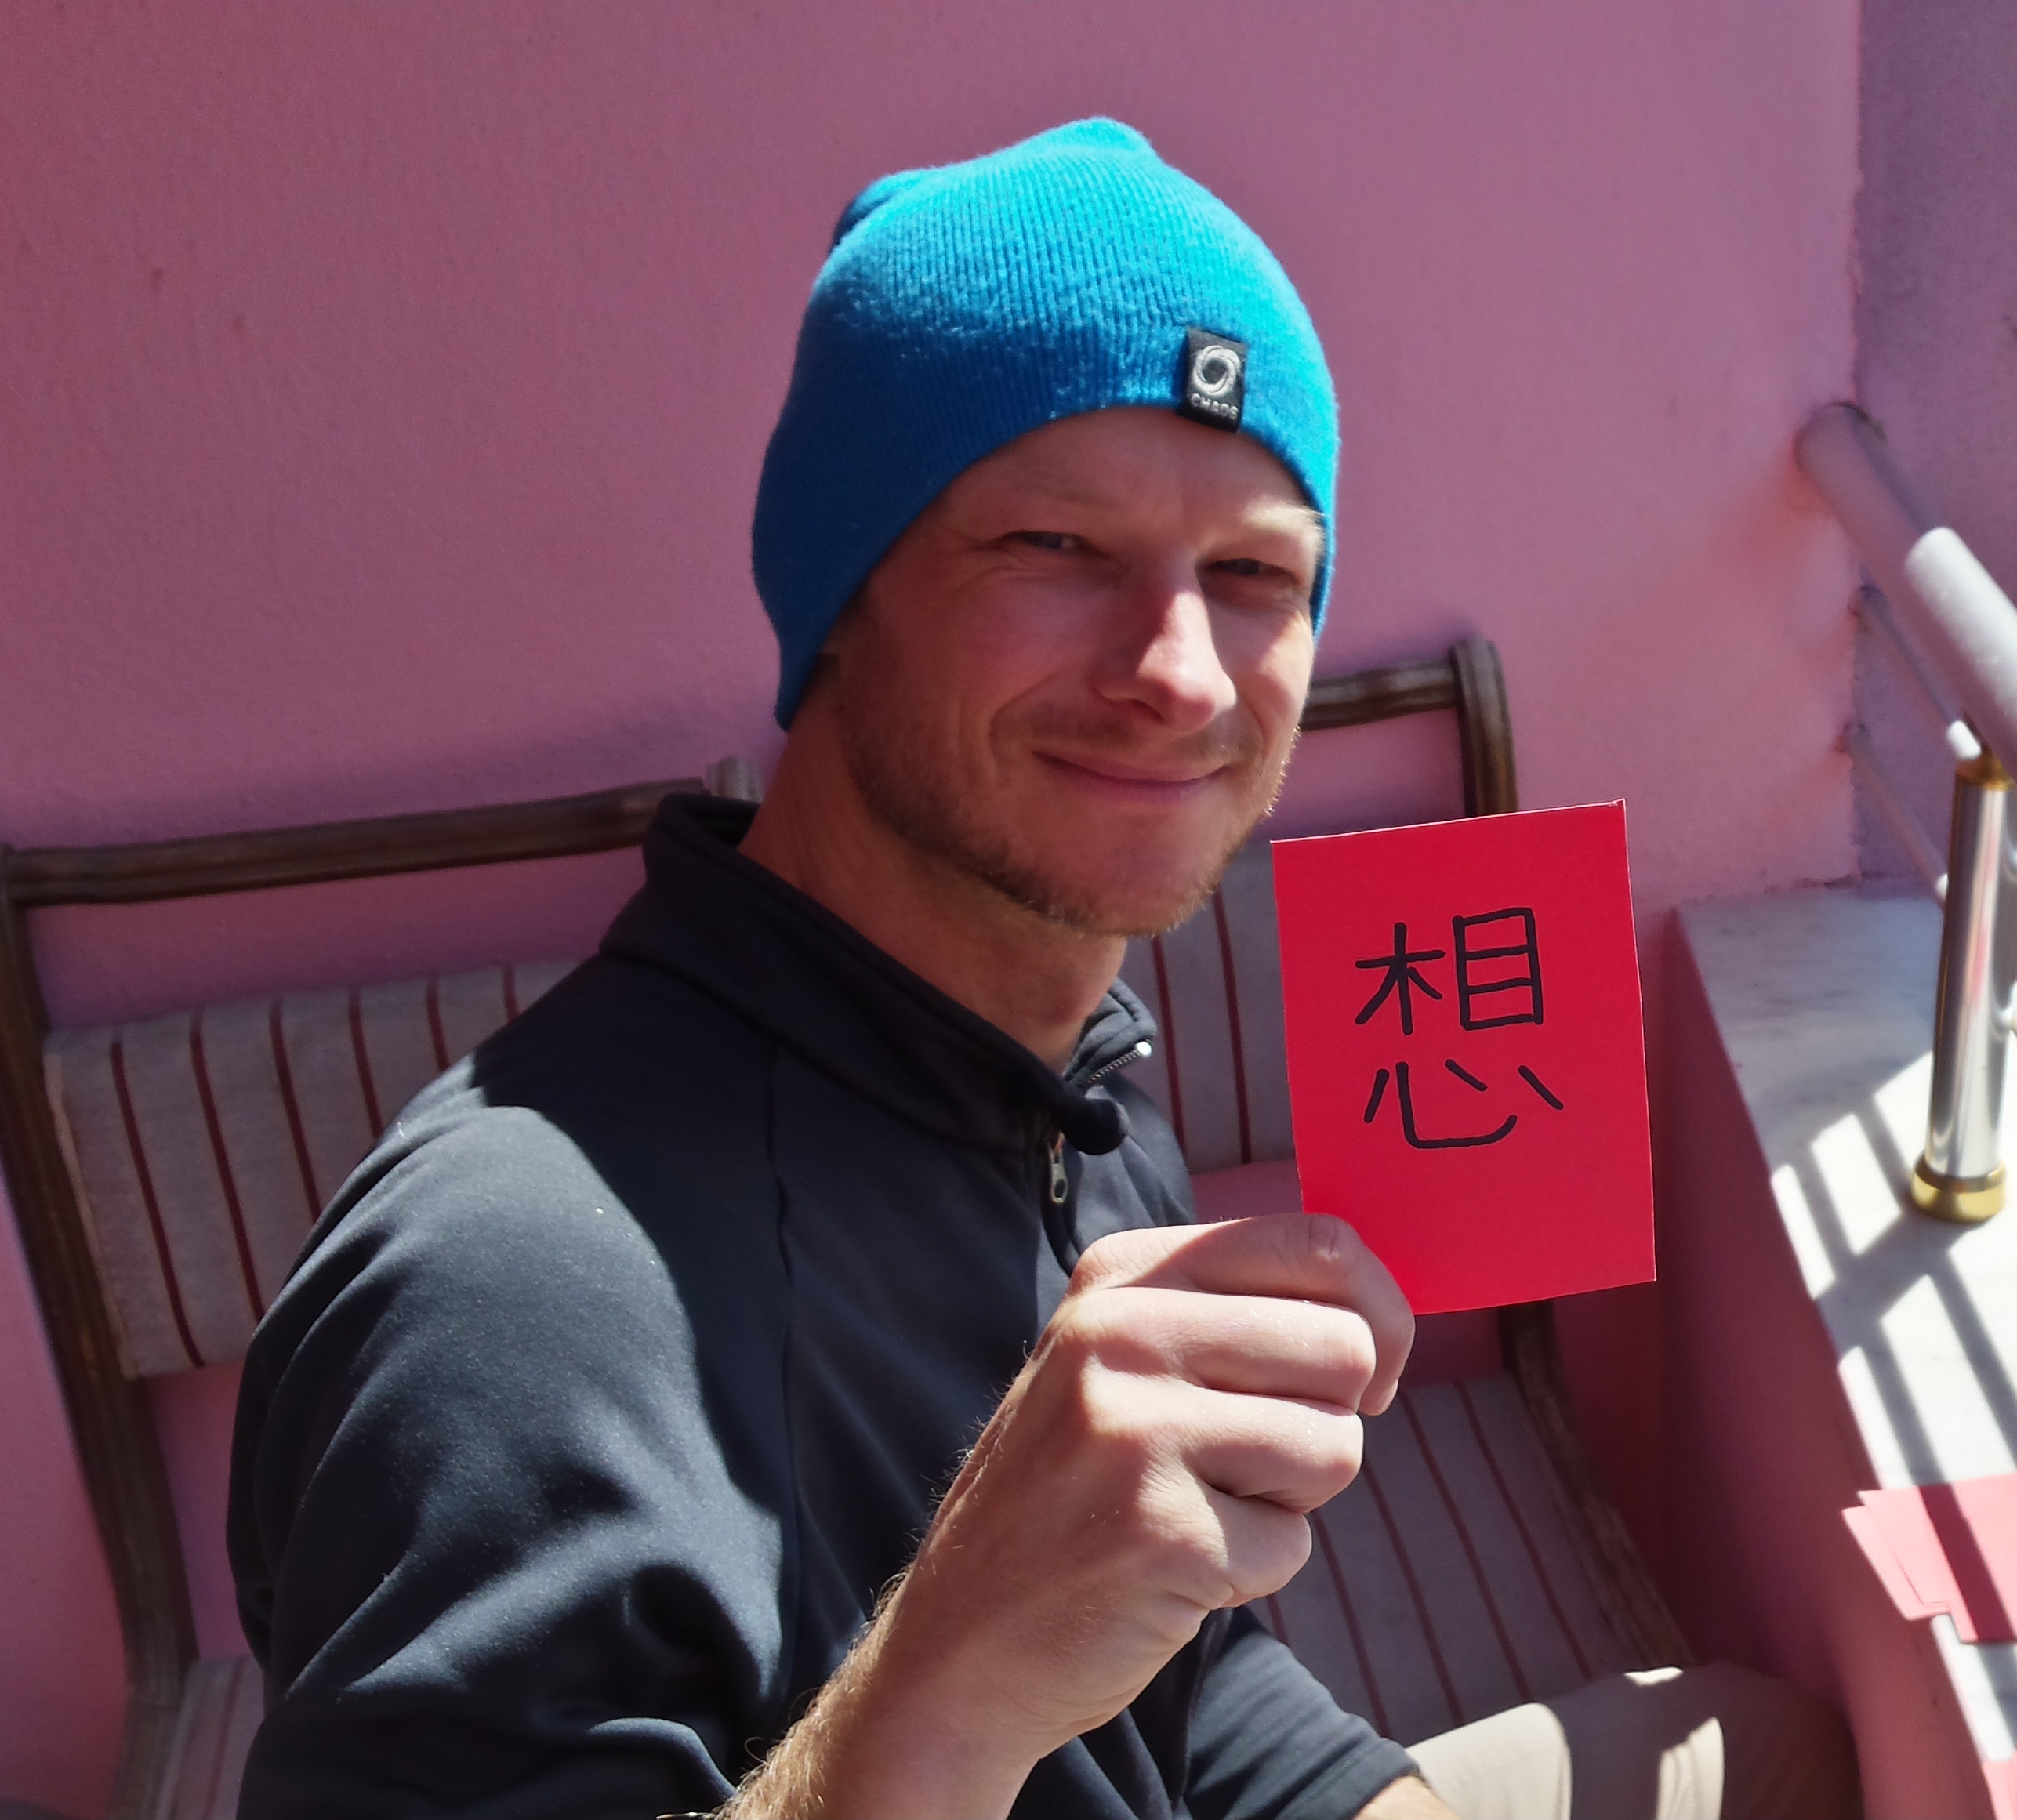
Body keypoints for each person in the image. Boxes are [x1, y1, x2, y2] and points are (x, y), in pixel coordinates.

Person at [227, 119, 1853, 1820]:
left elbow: (1171, 1683)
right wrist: (937, 1701)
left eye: (1253, 574)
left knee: (1763, 1747)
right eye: (1055, 549)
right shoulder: (513, 1300)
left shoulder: (1066, 1083)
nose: (1180, 672)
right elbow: (1002, 1684)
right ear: (844, 597)